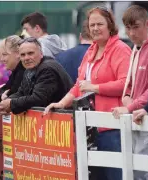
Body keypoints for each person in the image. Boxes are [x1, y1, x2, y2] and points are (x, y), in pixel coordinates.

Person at [44, 7, 131, 180]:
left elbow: (125, 84)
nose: (95, 28)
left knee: (115, 175)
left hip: (112, 127)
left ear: (110, 26)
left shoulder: (120, 49)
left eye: (100, 24)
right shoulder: (91, 50)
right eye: (92, 25)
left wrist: (95, 87)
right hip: (91, 128)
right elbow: (79, 85)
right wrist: (62, 103)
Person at [111, 5, 148, 180]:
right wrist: (126, 97)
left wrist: (132, 105)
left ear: (147, 24)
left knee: (139, 173)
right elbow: (131, 83)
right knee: (142, 172)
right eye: (128, 28)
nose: (131, 33)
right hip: (139, 118)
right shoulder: (136, 47)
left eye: (136, 27)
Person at [0, 37, 73, 115]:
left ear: (41, 53)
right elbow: (21, 92)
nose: (26, 58)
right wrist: (7, 102)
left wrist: (11, 104)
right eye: (23, 55)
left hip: (64, 121)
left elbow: (39, 98)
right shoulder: (29, 69)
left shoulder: (47, 69)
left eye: (30, 53)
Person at [0, 35, 26, 101]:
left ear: (17, 53)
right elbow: (3, 90)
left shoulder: (23, 72)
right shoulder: (16, 72)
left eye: (4, 54)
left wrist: (5, 95)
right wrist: (3, 94)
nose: (2, 59)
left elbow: (12, 95)